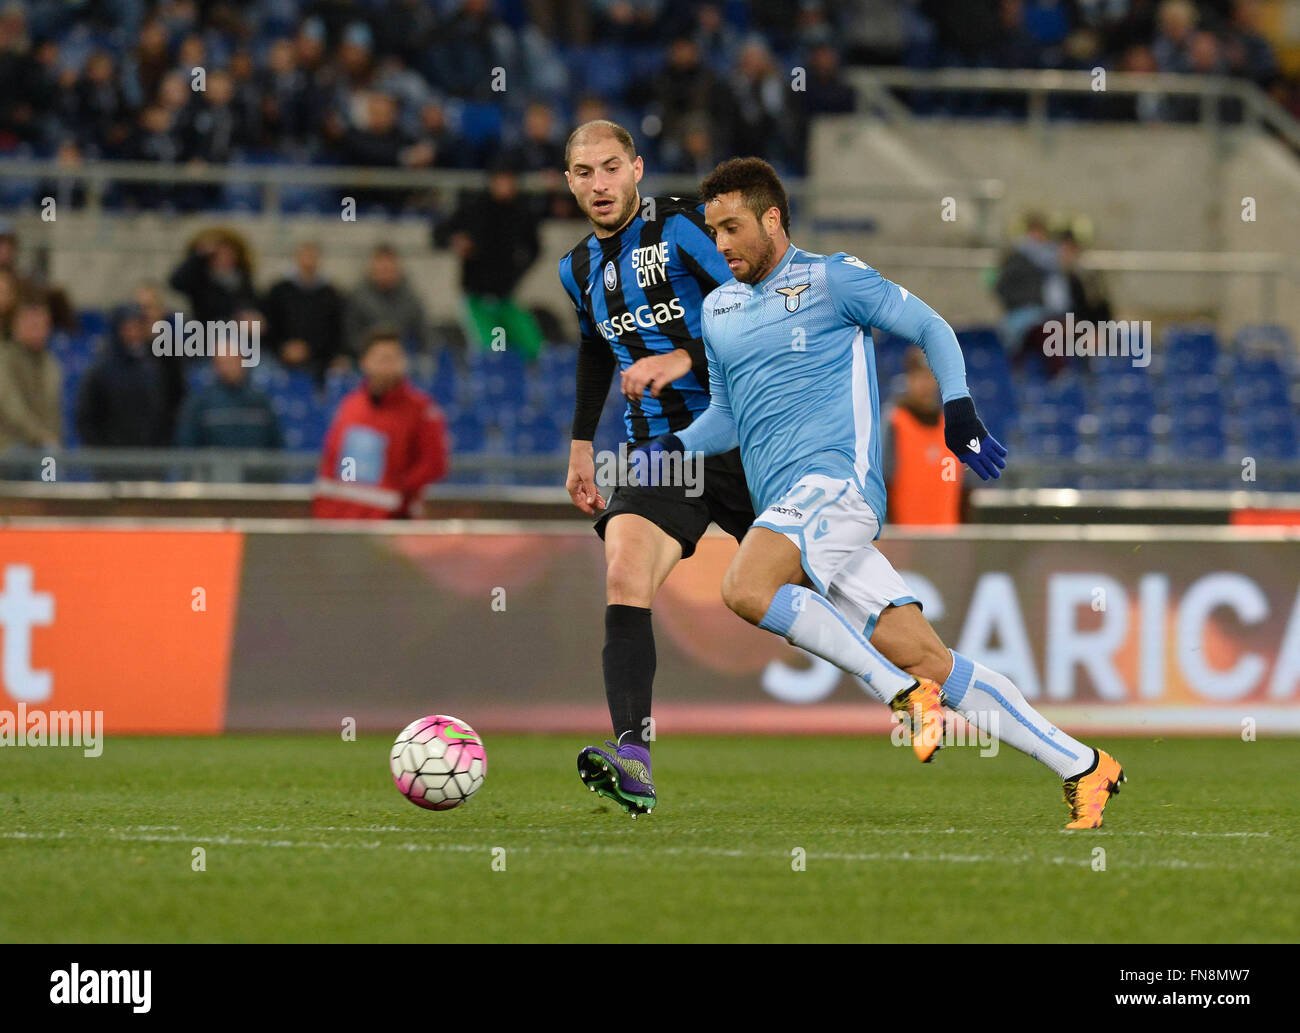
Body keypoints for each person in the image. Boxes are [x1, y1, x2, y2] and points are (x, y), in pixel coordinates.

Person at [643, 157, 1125, 829]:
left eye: (732, 227)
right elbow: (726, 415)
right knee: (932, 656)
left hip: (837, 484)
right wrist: (673, 449)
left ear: (773, 218)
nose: (720, 245)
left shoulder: (833, 278)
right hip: (788, 506)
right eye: (712, 230)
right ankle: (1083, 764)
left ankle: (898, 692)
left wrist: (957, 410)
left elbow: (932, 327)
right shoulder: (720, 309)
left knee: (743, 587)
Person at [558, 120, 751, 817]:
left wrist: (684, 360)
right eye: (584, 173)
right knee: (624, 571)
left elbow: (752, 307)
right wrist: (582, 443)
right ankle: (634, 757)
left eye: (612, 167)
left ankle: (929, 683)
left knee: (822, 584)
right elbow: (591, 347)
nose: (600, 184)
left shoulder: (682, 229)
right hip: (665, 452)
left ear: (637, 168)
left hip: (748, 434)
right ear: (570, 182)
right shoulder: (576, 268)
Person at [312, 327, 448, 519]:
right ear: (365, 362)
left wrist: (398, 490)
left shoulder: (421, 410)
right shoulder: (350, 406)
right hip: (345, 517)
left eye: (394, 358)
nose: (389, 366)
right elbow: (332, 459)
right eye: (382, 359)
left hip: (395, 519)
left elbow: (434, 464)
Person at [440, 157, 546, 359]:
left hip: (506, 297)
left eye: (509, 180)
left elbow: (535, 248)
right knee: (492, 350)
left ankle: (530, 387)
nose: (504, 186)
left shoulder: (521, 212)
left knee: (533, 346)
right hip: (477, 298)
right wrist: (455, 241)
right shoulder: (474, 208)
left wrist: (518, 270)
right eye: (500, 180)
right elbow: (440, 233)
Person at [883, 345, 964, 525]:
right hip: (904, 541)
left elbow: (966, 489)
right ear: (909, 379)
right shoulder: (896, 423)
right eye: (918, 376)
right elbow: (883, 483)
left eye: (929, 376)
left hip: (948, 538)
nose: (924, 383)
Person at [261, 241, 345, 377]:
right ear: (296, 258)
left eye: (312, 257)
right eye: (305, 256)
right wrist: (283, 348)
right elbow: (268, 326)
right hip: (280, 356)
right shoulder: (279, 290)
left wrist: (309, 350)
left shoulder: (331, 294)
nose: (308, 261)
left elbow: (335, 332)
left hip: (320, 359)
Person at [175, 351, 283, 454]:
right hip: (213, 470)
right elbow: (187, 442)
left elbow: (275, 441)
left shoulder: (260, 400)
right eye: (224, 363)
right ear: (215, 366)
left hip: (254, 470)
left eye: (233, 361)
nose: (229, 367)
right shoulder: (200, 402)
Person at [0, 294, 61, 454]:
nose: (38, 329)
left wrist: (51, 438)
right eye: (32, 324)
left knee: (52, 462)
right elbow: (11, 406)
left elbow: (54, 413)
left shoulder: (50, 362)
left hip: (43, 445)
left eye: (42, 324)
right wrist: (41, 436)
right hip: (8, 444)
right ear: (16, 325)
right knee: (45, 456)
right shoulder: (4, 358)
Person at [343, 244, 429, 357]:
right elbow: (350, 334)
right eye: (382, 268)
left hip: (403, 358)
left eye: (389, 268)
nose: (385, 271)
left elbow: (425, 333)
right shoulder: (357, 297)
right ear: (372, 268)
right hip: (364, 358)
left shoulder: (411, 298)